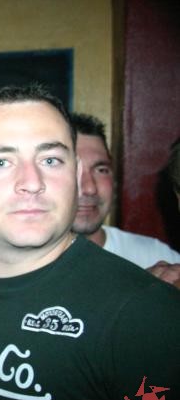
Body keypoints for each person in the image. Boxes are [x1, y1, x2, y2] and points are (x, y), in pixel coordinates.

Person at [0, 84, 180, 400]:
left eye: (50, 160)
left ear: (75, 175)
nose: (31, 182)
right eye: (1, 162)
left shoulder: (145, 316)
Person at [70, 112, 180, 284]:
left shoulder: (156, 256)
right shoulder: (26, 266)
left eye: (101, 170)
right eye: (73, 170)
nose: (90, 188)